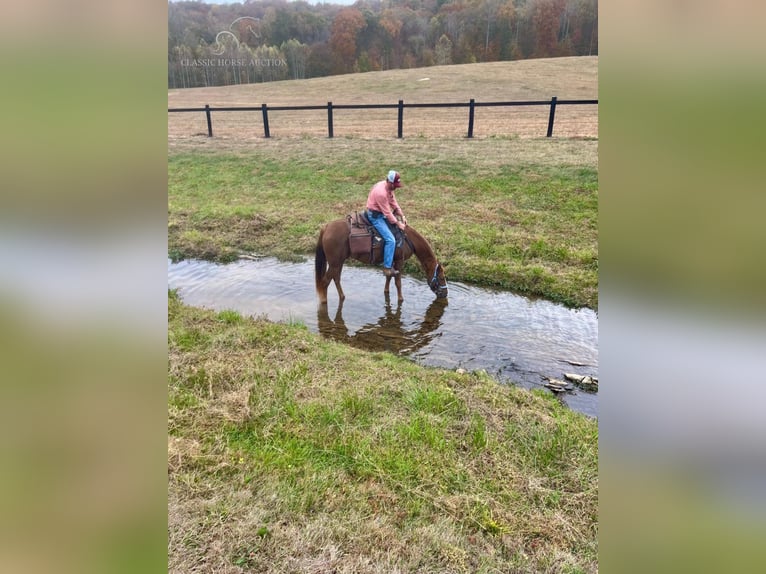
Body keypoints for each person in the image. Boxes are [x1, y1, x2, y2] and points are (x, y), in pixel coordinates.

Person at [366, 170, 408, 277]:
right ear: (389, 182)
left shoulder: (389, 188)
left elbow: (393, 202)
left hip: (381, 213)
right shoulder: (381, 193)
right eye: (395, 185)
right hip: (375, 216)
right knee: (391, 240)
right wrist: (398, 224)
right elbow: (388, 213)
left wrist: (402, 215)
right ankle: (387, 267)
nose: (396, 187)